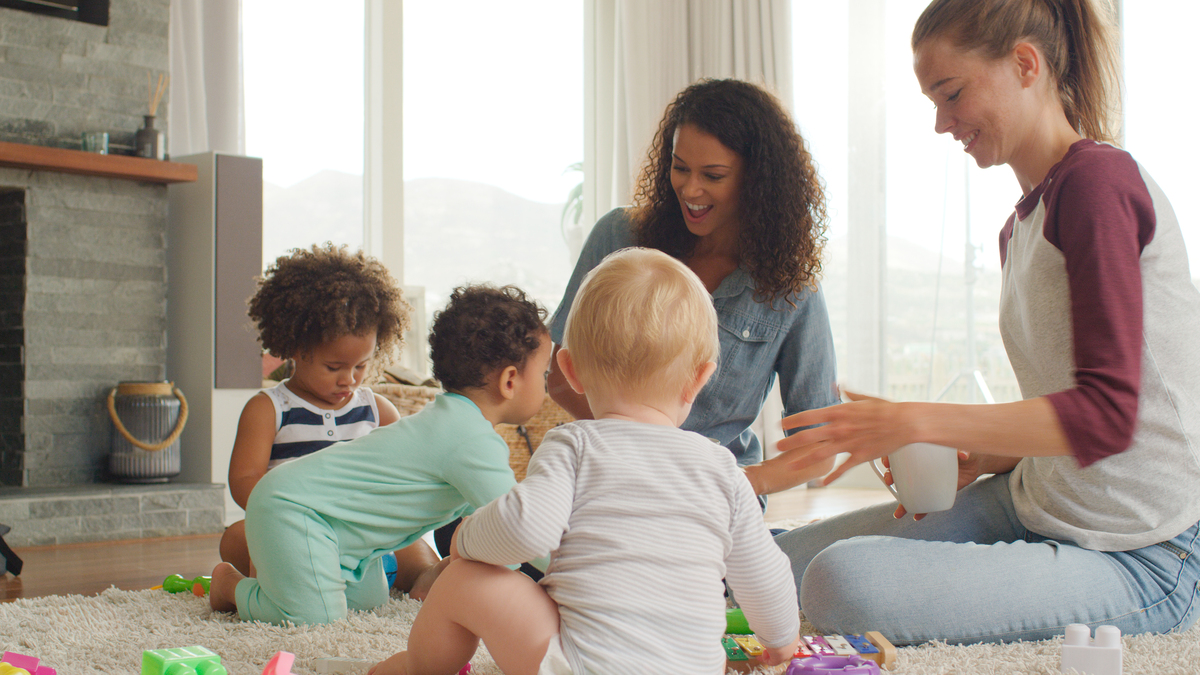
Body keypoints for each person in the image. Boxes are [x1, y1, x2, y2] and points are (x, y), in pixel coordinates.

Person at [771, 0, 1200, 646]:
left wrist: (919, 418)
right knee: (777, 557)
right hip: (1040, 498)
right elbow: (1061, 405)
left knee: (840, 581)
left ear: (1025, 64)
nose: (942, 123)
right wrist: (986, 453)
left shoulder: (1098, 183)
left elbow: (1108, 414)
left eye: (951, 93)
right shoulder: (1020, 227)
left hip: (1144, 551)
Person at [370, 248, 800, 675]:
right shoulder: (723, 468)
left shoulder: (575, 445)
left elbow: (525, 530)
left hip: (581, 666)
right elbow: (764, 571)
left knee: (464, 580)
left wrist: (467, 538)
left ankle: (417, 668)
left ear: (570, 370)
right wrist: (781, 642)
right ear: (701, 379)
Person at [547, 78, 840, 497]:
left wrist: (736, 484)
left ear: (757, 182)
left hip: (714, 495)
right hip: (610, 477)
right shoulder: (618, 236)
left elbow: (819, 442)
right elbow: (559, 372)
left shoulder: (790, 288)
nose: (689, 189)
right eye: (680, 167)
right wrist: (642, 454)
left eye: (713, 175)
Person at [208, 284, 554, 625]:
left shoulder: (457, 427)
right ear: (510, 380)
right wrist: (574, 567)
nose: (546, 383)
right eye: (544, 374)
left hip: (342, 535)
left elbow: (495, 523)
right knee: (314, 618)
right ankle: (231, 587)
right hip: (295, 511)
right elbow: (521, 527)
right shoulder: (468, 439)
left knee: (370, 600)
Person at [219, 243, 422, 584]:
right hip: (294, 530)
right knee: (236, 538)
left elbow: (406, 471)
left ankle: (426, 578)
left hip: (363, 533)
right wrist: (292, 511)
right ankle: (260, 580)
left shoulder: (375, 410)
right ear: (295, 348)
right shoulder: (269, 409)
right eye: (334, 367)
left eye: (361, 365)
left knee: (414, 550)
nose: (350, 379)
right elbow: (243, 482)